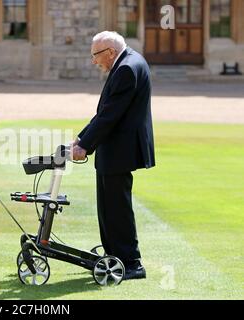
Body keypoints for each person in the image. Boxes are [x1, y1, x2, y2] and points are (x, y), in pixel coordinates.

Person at [72, 31, 155, 280]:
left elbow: (111, 115)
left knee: (117, 209)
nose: (94, 61)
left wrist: (84, 145)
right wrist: (81, 138)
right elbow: (106, 112)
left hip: (121, 149)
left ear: (109, 52)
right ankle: (114, 255)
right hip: (115, 148)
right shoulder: (128, 62)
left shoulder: (127, 69)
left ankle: (131, 263)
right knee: (108, 207)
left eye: (95, 56)